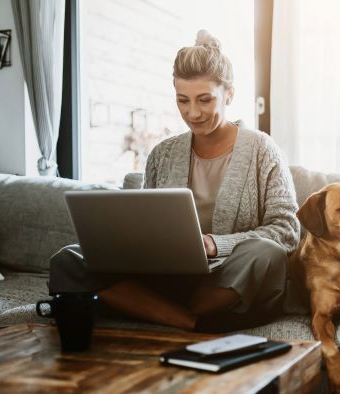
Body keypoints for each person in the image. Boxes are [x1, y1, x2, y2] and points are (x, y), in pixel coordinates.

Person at [48, 30, 300, 332]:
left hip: (228, 278)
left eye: (205, 100)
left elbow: (286, 231)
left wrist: (213, 245)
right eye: (183, 100)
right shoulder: (162, 154)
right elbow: (144, 224)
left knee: (266, 254)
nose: (193, 112)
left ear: (229, 94)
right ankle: (192, 322)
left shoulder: (262, 150)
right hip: (167, 277)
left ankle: (154, 310)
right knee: (67, 260)